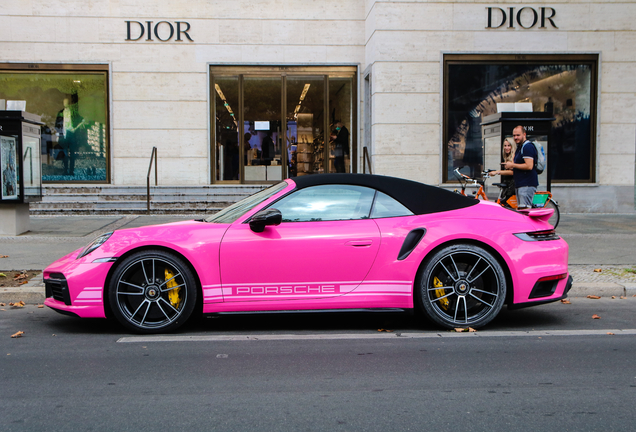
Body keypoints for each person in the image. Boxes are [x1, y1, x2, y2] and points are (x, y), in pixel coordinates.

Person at [503, 125, 538, 209]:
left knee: (525, 211)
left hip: (526, 184)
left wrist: (512, 165)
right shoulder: (520, 147)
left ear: (524, 134)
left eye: (518, 135)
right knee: (521, 210)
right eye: (514, 135)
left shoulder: (527, 147)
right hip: (521, 184)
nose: (515, 137)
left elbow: (529, 166)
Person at [55, 93, 85, 176]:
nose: (65, 104)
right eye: (64, 102)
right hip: (64, 134)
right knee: (64, 153)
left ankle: (71, 171)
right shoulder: (60, 113)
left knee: (72, 153)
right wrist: (58, 134)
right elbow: (57, 124)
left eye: (67, 102)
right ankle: (65, 170)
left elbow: (81, 119)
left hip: (71, 134)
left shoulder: (73, 112)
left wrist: (75, 128)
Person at [488, 139, 515, 205]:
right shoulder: (507, 156)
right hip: (508, 183)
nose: (506, 148)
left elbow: (512, 172)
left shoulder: (514, 155)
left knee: (508, 204)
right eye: (505, 145)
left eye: (509, 145)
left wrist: (497, 172)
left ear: (512, 146)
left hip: (513, 185)